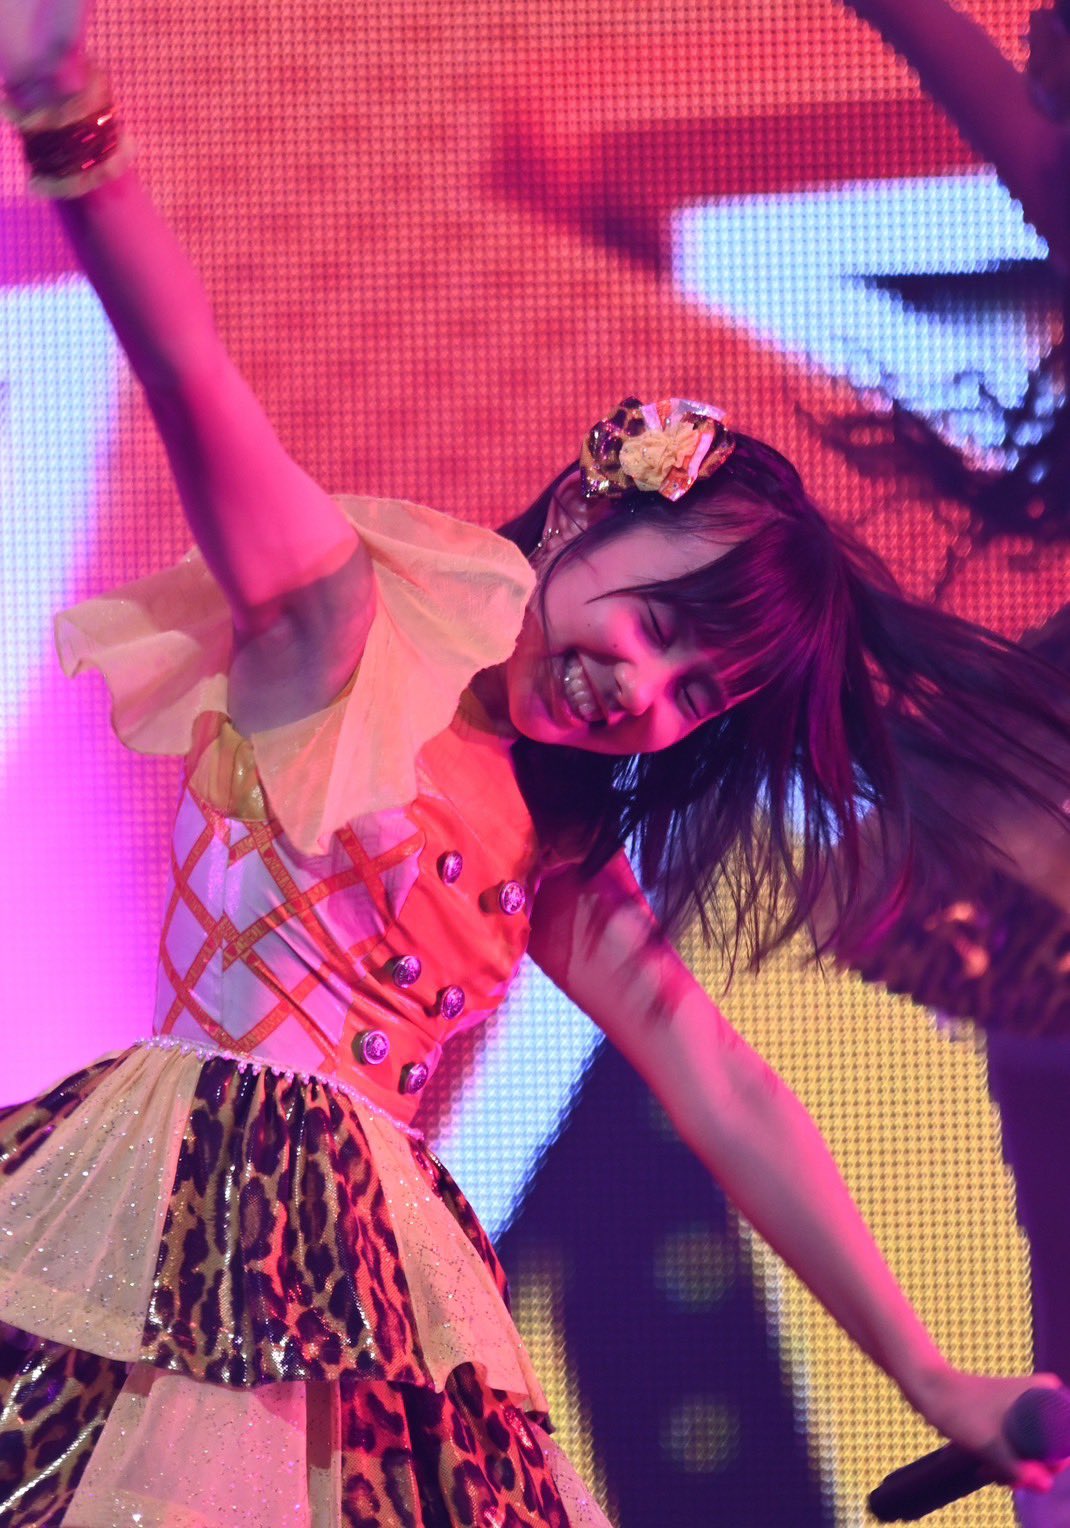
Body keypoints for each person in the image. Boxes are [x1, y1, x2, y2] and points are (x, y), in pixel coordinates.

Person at [0, 1, 1067, 1523]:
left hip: (366, 1305)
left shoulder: (550, 844)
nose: (644, 692)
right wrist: (71, 126)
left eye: (698, 694)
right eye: (653, 628)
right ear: (578, 515)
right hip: (180, 1231)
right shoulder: (338, 625)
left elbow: (725, 1088)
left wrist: (929, 1372)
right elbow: (189, 376)